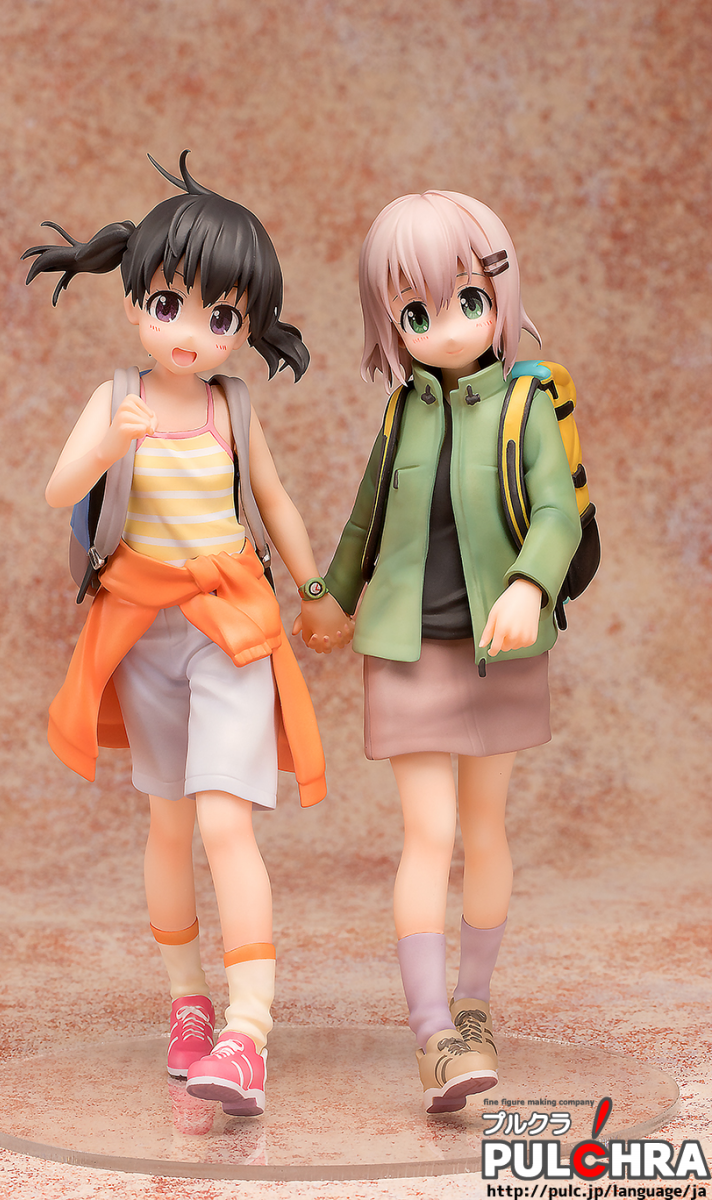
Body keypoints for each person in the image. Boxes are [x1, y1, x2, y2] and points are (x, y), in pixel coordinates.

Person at [23, 152, 352, 1117]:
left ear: (244, 328)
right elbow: (59, 488)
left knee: (223, 819)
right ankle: (189, 1004)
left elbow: (276, 502)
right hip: (144, 635)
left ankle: (249, 1029)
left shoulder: (232, 406)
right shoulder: (116, 396)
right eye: (169, 306)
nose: (192, 334)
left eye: (223, 319)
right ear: (137, 299)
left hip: (231, 626)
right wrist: (110, 439)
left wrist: (315, 591)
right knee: (169, 824)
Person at [302, 190, 582, 1114]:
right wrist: (330, 598)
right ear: (391, 324)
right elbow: (364, 521)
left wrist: (529, 584)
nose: (447, 326)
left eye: (468, 299)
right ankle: (432, 1034)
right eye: (415, 313)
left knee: (486, 829)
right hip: (408, 653)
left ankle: (475, 1006)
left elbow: (557, 511)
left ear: (500, 294)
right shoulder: (401, 416)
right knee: (427, 834)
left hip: (502, 650)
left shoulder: (528, 403)